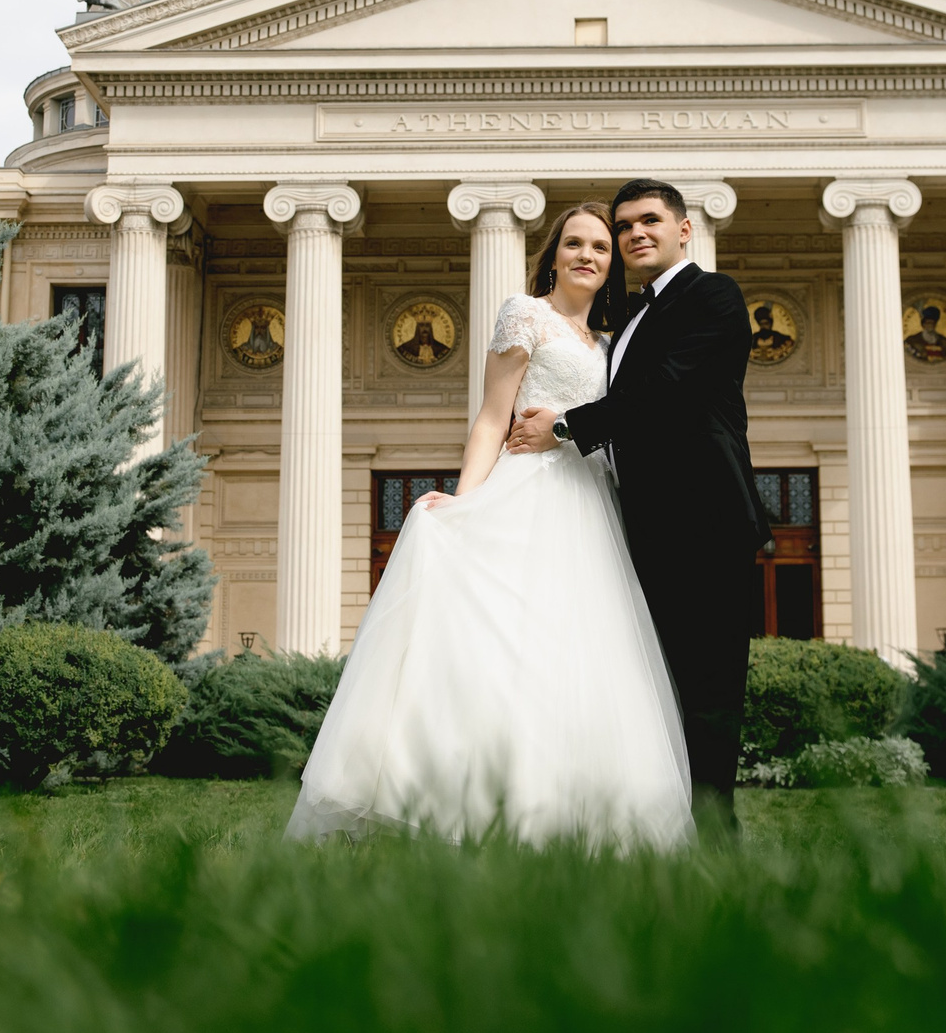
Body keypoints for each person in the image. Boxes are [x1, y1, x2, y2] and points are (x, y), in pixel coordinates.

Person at [287, 203, 692, 850]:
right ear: (553, 255)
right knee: (507, 646)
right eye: (574, 243)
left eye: (600, 247)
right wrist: (464, 501)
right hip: (527, 493)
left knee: (580, 653)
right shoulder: (524, 315)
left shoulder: (610, 344)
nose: (588, 255)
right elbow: (490, 418)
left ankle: (572, 815)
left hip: (592, 506)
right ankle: (472, 805)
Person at [504, 178, 766, 833]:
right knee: (653, 696)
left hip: (705, 525)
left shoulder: (714, 295)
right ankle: (658, 838)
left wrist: (565, 426)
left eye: (649, 220)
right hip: (637, 528)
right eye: (623, 226)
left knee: (708, 695)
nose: (634, 234)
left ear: (684, 229)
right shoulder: (623, 320)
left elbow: (667, 387)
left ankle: (715, 844)